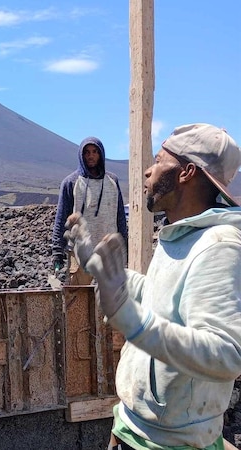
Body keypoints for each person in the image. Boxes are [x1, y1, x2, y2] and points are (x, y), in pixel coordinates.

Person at [66, 123, 241, 449]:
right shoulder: (181, 235)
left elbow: (226, 355)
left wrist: (130, 318)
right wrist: (96, 265)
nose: (148, 171)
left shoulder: (219, 246)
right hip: (135, 428)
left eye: (160, 160)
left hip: (171, 443)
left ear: (187, 172)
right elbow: (158, 297)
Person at [52, 136, 128, 284]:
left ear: (101, 154)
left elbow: (119, 217)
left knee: (108, 302)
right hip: (78, 252)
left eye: (94, 151)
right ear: (81, 155)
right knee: (78, 300)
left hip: (108, 251)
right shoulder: (71, 182)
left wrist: (125, 245)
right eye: (86, 152)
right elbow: (61, 218)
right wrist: (57, 251)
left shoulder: (112, 181)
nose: (90, 156)